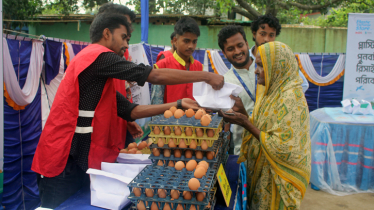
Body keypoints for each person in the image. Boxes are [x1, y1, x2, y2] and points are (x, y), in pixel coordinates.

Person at [32, 13, 224, 208]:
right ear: (107, 33)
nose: (126, 44)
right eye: (124, 37)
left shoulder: (97, 71)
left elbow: (130, 110)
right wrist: (206, 76)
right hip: (63, 160)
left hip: (76, 160)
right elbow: (153, 75)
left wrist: (178, 104)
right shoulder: (99, 56)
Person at [220, 41, 311, 210]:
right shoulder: (269, 90)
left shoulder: (292, 98)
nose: (256, 70)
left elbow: (283, 147)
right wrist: (244, 114)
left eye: (261, 66)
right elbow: (261, 128)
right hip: (262, 174)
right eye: (257, 65)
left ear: (277, 66)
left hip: (279, 179)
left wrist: (245, 122)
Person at [98, 2, 143, 145]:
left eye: (128, 25)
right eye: (123, 24)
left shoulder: (123, 53)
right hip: (102, 131)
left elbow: (123, 91)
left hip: (121, 120)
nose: (128, 30)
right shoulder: (97, 58)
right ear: (107, 30)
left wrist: (127, 119)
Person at [217, 25, 256, 155]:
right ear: (224, 53)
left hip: (272, 145)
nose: (237, 51)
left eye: (240, 45)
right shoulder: (225, 82)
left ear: (247, 43)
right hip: (244, 150)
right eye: (230, 49)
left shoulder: (266, 68)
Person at [250, 14, 309, 93]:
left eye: (271, 35)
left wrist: (279, 99)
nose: (267, 39)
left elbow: (303, 84)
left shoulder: (281, 58)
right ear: (254, 34)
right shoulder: (244, 58)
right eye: (263, 34)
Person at [151, 17, 203, 105]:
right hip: (168, 118)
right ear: (175, 41)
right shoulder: (161, 66)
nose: (191, 46)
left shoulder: (199, 67)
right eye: (186, 41)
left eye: (194, 42)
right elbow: (156, 102)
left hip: (195, 118)